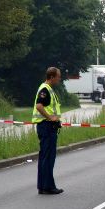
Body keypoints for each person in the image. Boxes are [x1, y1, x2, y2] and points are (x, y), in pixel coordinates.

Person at [32, 67, 64, 195]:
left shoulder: (48, 89)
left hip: (47, 127)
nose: (59, 79)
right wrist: (50, 117)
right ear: (51, 77)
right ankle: (48, 186)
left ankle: (43, 186)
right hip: (46, 127)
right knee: (48, 157)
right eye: (58, 76)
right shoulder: (45, 89)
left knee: (45, 157)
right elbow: (39, 106)